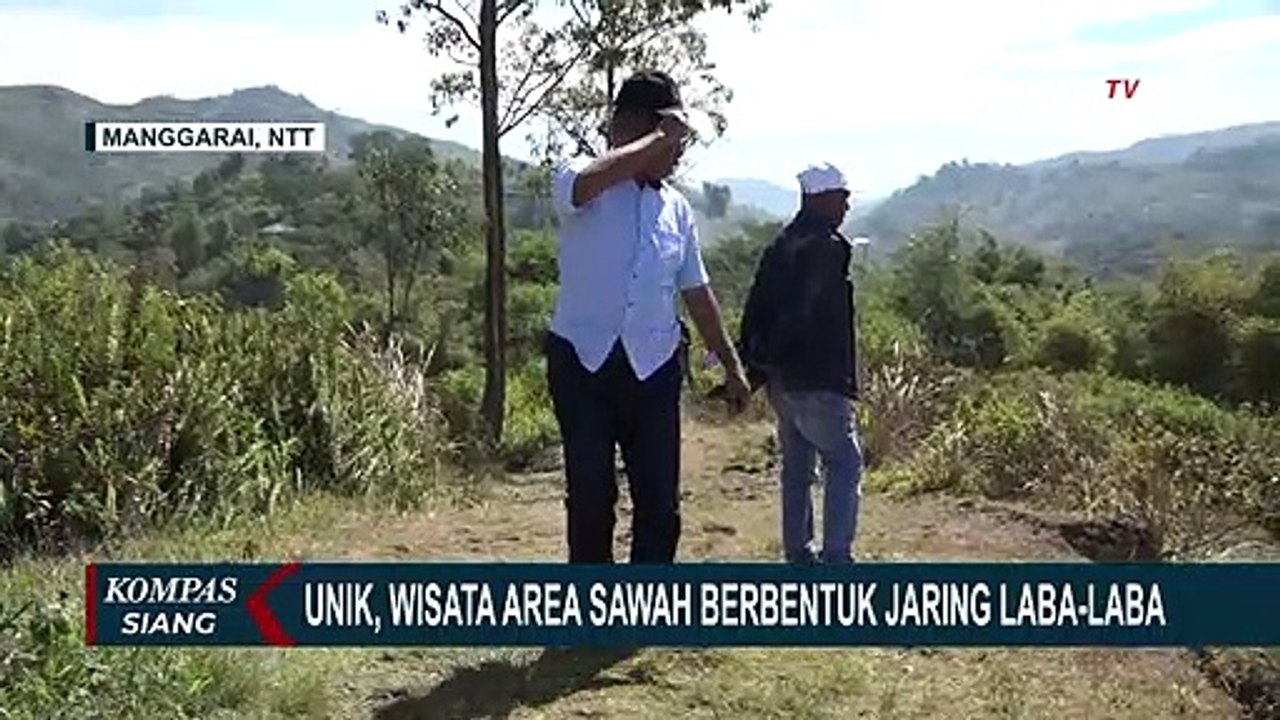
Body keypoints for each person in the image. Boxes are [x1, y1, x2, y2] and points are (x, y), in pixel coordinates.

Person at [544, 69, 752, 565]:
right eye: (670, 139)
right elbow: (583, 186)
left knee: (659, 500)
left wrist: (731, 363)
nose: (677, 152)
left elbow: (696, 291)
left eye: (678, 142)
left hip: (655, 366)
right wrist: (658, 136)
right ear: (628, 126)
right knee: (591, 497)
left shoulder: (675, 209)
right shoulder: (579, 178)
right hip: (582, 363)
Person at [735, 161, 864, 565]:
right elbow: (812, 316)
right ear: (822, 198)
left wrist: (757, 366)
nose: (846, 205)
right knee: (844, 462)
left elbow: (757, 309)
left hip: (781, 379)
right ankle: (837, 557)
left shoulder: (781, 244)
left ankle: (799, 552)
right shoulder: (828, 247)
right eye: (842, 197)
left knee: (797, 466)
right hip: (817, 377)